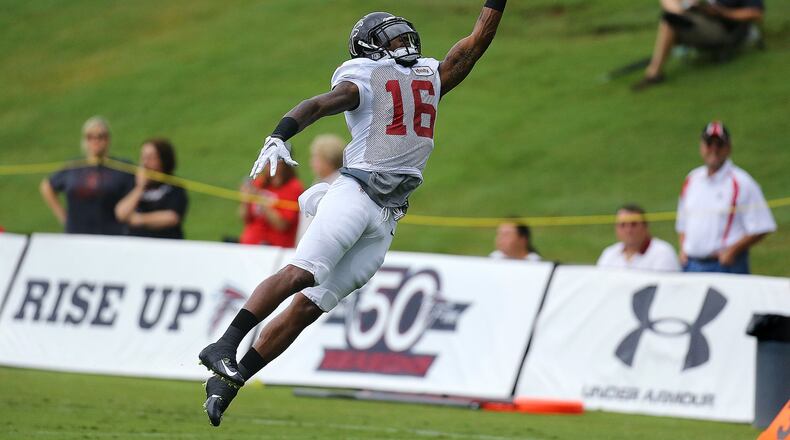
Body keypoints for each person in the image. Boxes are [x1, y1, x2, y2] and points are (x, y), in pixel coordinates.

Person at [199, 2, 507, 426]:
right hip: (356, 192)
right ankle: (224, 344)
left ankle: (229, 382)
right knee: (301, 272)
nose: (405, 40)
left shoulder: (429, 74)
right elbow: (321, 103)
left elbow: (475, 43)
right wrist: (280, 134)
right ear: (369, 47)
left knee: (309, 307)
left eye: (405, 33)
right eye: (393, 36)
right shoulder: (364, 75)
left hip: (387, 215)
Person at [676, 121, 776, 274]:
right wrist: (683, 248)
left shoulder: (741, 182)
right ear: (702, 147)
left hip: (725, 266)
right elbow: (683, 221)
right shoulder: (692, 179)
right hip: (691, 265)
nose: (714, 149)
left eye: (719, 144)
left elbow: (762, 225)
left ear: (728, 148)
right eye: (709, 144)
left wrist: (732, 250)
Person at [634, 0, 764, 90]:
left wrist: (723, 13)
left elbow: (756, 13)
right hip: (701, 19)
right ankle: (655, 70)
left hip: (724, 29)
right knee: (671, 17)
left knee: (670, 22)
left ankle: (654, 72)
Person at [39, 116, 135, 235]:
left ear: (108, 139)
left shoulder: (121, 167)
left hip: (111, 236)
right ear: (84, 140)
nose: (96, 141)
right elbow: (47, 186)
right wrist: (64, 218)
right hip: (77, 234)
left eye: (101, 136)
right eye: (90, 137)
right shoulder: (74, 167)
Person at [115, 138, 188, 239]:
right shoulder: (134, 184)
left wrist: (139, 219)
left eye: (151, 158)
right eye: (143, 157)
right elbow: (121, 214)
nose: (145, 163)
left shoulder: (174, 187)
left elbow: (171, 217)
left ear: (163, 160)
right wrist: (140, 187)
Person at [238, 161, 304, 248]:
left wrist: (262, 201)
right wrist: (245, 201)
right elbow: (245, 218)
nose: (269, 165)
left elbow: (282, 225)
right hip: (249, 244)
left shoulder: (294, 187)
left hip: (275, 248)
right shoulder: (259, 182)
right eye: (267, 162)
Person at [597, 204, 681, 271]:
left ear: (645, 226)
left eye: (634, 224)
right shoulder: (609, 254)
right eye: (623, 225)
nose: (628, 230)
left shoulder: (662, 253)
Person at [296, 134, 347, 242]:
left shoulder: (336, 187)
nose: (311, 163)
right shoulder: (320, 182)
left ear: (329, 161)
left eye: (316, 158)